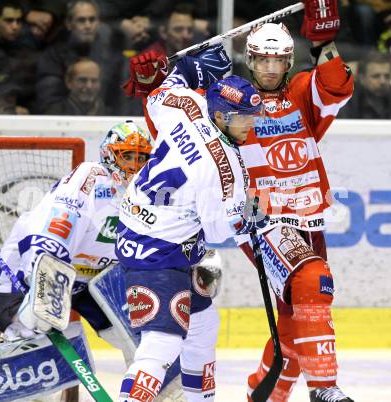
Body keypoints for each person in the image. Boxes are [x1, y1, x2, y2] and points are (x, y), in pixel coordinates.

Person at [117, 45, 266, 402]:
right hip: (158, 252)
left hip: (142, 227)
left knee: (202, 326)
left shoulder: (187, 106)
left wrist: (189, 67)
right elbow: (217, 233)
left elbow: (159, 93)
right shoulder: (225, 170)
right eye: (242, 117)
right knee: (163, 343)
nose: (250, 124)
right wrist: (252, 216)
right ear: (221, 115)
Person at [239, 1, 354, 401]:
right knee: (311, 281)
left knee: (294, 319)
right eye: (262, 60)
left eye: (278, 60)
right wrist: (159, 86)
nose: (270, 68)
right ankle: (324, 387)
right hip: (263, 218)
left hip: (309, 219)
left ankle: (265, 393)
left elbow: (337, 86)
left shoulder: (303, 92)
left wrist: (325, 43)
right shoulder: (230, 99)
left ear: (289, 61)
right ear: (249, 59)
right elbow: (183, 130)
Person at [0, 120, 152, 362]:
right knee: (28, 335)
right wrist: (47, 274)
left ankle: (151, 383)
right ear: (109, 155)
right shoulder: (93, 176)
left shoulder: (148, 193)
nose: (135, 165)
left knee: (141, 335)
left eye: (142, 158)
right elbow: (60, 220)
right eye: (128, 156)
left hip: (93, 280)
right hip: (34, 264)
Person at [338, 50, 391, 119]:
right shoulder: (347, 104)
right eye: (376, 76)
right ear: (362, 78)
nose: (383, 81)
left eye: (387, 76)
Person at [44, 57, 109, 115]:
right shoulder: (54, 114)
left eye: (94, 81)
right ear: (69, 82)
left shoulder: (111, 115)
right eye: (83, 80)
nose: (89, 86)